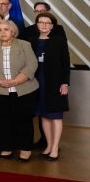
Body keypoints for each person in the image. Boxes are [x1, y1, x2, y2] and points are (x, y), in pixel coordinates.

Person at [0, 20, 38, 162]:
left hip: (24, 90)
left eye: (6, 29)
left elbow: (32, 65)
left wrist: (15, 81)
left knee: (23, 120)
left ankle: (25, 149)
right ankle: (6, 147)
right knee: (3, 121)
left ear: (13, 31)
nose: (3, 32)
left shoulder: (25, 45)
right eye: (0, 30)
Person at [27, 12, 70, 161]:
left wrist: (65, 83)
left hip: (54, 83)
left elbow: (65, 64)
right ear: (37, 24)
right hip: (36, 83)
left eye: (47, 22)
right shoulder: (31, 41)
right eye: (41, 22)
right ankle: (49, 146)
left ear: (52, 25)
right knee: (44, 116)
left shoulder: (59, 41)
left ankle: (55, 149)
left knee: (55, 116)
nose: (44, 25)